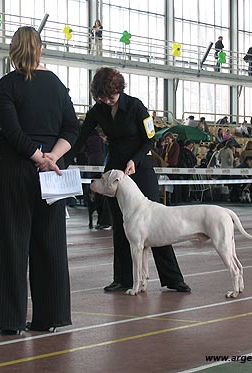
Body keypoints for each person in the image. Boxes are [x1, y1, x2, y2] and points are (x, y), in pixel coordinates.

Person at [67, 67, 190, 294]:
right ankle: (123, 279)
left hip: (140, 168)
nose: (106, 100)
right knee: (120, 226)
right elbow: (81, 137)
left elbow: (150, 139)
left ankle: (172, 278)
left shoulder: (136, 106)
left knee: (158, 224)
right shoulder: (98, 110)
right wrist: (63, 159)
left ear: (119, 90)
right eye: (101, 97)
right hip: (114, 170)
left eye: (110, 96)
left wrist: (135, 160)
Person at [0, 26, 79, 335]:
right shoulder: (56, 84)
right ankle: (51, 316)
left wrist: (38, 157)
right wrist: (52, 157)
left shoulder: (7, 85)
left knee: (11, 243)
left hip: (17, 169)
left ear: (14, 51)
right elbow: (72, 128)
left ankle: (10, 320)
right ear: (41, 50)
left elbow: (11, 131)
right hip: (53, 174)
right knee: (51, 242)